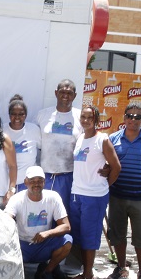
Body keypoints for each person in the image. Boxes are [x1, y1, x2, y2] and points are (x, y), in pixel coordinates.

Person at [105, 104, 141, 279]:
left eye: (137, 117)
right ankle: (121, 268)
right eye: (130, 116)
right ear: (124, 117)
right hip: (117, 197)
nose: (133, 120)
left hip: (140, 198)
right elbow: (108, 166)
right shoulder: (113, 139)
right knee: (117, 235)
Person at [68, 105, 121, 279]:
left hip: (94, 196)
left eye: (90, 117)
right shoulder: (80, 138)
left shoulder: (102, 140)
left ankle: (89, 275)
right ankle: (84, 271)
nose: (85, 120)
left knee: (90, 237)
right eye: (83, 117)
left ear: (96, 120)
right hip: (77, 193)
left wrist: (105, 185)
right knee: (79, 235)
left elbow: (116, 166)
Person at [4, 166, 72, 279]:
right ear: (25, 182)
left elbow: (66, 226)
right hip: (22, 245)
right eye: (32, 181)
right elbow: (6, 219)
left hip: (43, 244)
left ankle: (47, 271)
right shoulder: (17, 199)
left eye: (39, 181)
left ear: (44, 182)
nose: (36, 184)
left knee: (67, 241)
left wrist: (47, 233)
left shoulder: (53, 197)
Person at [35, 79, 82, 213]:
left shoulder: (80, 116)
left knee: (64, 214)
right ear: (56, 93)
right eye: (62, 92)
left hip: (68, 176)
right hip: (45, 176)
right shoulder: (42, 115)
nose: (65, 96)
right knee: (43, 213)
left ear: (75, 95)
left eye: (69, 93)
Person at [3, 94, 41, 192]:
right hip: (5, 184)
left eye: (21, 114)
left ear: (26, 115)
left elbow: (44, 150)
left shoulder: (34, 130)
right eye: (13, 114)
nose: (17, 117)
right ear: (9, 114)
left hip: (28, 184)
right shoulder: (1, 130)